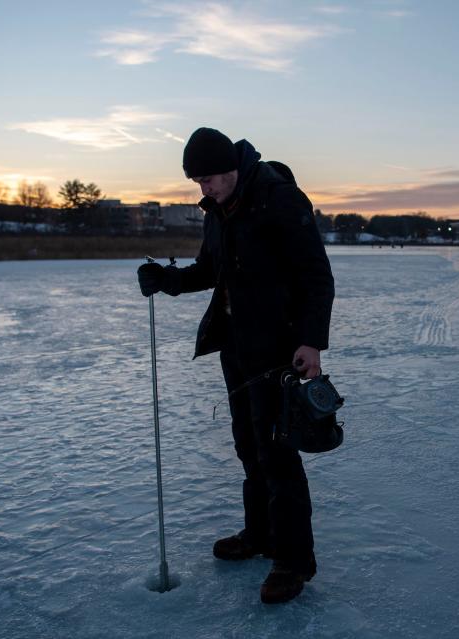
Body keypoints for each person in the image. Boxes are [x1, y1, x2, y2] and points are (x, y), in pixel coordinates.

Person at [137, 127, 335, 604]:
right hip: (238, 346)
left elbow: (316, 275)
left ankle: (293, 560)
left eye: (208, 179)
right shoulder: (219, 212)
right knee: (249, 445)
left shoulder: (278, 199)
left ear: (231, 168)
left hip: (281, 349)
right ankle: (260, 535)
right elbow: (211, 270)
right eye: (197, 181)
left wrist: (311, 341)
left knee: (277, 453)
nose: (202, 188)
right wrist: (165, 279)